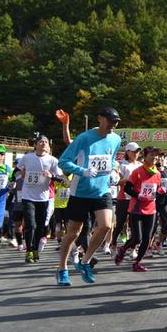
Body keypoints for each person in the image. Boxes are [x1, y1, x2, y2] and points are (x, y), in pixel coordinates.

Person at [56, 106, 123, 286]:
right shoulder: (84, 138)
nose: (113, 127)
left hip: (102, 191)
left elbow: (112, 159)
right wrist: (82, 171)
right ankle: (62, 268)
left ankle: (85, 261)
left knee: (106, 226)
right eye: (110, 122)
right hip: (81, 192)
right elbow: (63, 162)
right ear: (100, 119)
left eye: (115, 123)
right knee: (73, 233)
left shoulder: (115, 139)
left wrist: (113, 171)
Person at [115, 146, 163, 272]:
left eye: (156, 156)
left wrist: (159, 192)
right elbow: (127, 188)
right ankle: (123, 249)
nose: (154, 158)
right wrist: (138, 195)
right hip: (136, 208)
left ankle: (137, 263)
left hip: (151, 209)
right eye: (151, 155)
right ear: (145, 157)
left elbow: (156, 190)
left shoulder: (157, 173)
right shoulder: (137, 171)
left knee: (147, 239)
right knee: (137, 238)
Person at [17, 134, 62, 263]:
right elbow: (16, 172)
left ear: (48, 146)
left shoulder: (52, 160)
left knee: (40, 226)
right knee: (30, 224)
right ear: (35, 145)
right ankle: (29, 251)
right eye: (41, 141)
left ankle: (35, 248)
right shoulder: (27, 158)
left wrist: (51, 175)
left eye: (46, 142)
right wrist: (21, 174)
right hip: (28, 196)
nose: (43, 144)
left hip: (43, 197)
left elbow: (60, 178)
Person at [113, 143, 141, 247]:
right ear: (127, 152)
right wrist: (129, 178)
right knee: (120, 223)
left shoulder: (140, 165)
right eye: (134, 151)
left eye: (137, 151)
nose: (136, 154)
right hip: (124, 197)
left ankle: (132, 247)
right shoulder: (122, 165)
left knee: (134, 224)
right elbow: (117, 182)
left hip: (136, 197)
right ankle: (113, 243)